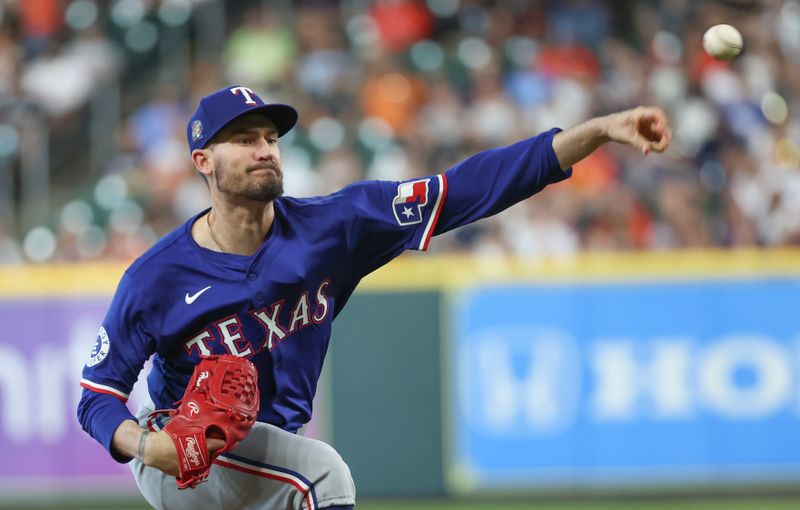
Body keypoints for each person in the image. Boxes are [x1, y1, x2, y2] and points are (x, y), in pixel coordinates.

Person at [77, 84, 671, 510]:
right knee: (322, 479)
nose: (264, 148)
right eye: (242, 139)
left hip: (267, 459)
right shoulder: (156, 277)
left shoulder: (335, 227)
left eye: (269, 136)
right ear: (203, 162)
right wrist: (145, 446)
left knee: (299, 467)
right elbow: (97, 395)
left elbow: (466, 188)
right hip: (185, 462)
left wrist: (596, 132)